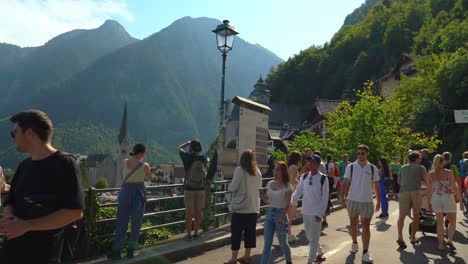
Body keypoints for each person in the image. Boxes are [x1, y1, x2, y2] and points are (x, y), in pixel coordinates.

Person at [0, 110, 84, 264]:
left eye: (14, 133)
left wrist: (26, 226)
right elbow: (9, 202)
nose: (13, 138)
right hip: (12, 253)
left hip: (46, 255)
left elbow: (75, 212)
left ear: (30, 133)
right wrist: (10, 219)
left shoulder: (65, 164)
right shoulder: (24, 166)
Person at [339, 145, 380, 264]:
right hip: (352, 200)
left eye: (362, 153)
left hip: (367, 201)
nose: (360, 155)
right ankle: (354, 243)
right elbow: (345, 182)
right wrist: (341, 196)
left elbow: (375, 185)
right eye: (358, 153)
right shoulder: (351, 167)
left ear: (367, 154)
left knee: (366, 226)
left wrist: (378, 200)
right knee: (353, 224)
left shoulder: (372, 168)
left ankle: (366, 252)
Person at [110, 143, 152, 259]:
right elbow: (148, 179)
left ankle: (116, 252)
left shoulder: (124, 162)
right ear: (142, 153)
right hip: (138, 194)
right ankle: (130, 251)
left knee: (121, 223)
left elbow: (122, 177)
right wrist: (139, 178)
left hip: (125, 193)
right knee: (136, 224)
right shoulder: (145, 165)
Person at [224, 150, 262, 264]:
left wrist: (229, 191)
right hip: (253, 207)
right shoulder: (257, 172)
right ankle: (246, 256)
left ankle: (234, 258)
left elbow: (233, 186)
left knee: (236, 233)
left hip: (241, 208)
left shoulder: (240, 170)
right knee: (250, 233)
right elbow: (259, 188)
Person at [291, 155, 329, 264]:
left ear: (317, 164)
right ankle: (320, 251)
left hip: (316, 213)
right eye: (309, 162)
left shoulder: (323, 178)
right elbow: (298, 191)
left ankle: (310, 261)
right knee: (309, 235)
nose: (309, 164)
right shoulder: (304, 176)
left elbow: (324, 197)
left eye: (312, 162)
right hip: (306, 211)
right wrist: (291, 201)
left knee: (314, 238)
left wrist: (320, 213)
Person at [260, 162, 293, 264]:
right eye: (275, 169)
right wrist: (261, 196)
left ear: (283, 171)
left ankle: (288, 261)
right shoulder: (270, 183)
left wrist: (282, 217)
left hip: (281, 214)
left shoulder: (288, 186)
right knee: (267, 243)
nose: (275, 171)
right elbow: (266, 201)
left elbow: (287, 204)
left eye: (278, 169)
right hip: (270, 213)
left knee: (282, 242)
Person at [427, 154, 460, 251]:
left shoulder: (430, 174)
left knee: (440, 223)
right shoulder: (449, 172)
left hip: (436, 198)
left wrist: (429, 203)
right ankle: (449, 240)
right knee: (452, 221)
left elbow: (429, 190)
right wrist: (460, 201)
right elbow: (454, 187)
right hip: (448, 198)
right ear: (443, 162)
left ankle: (441, 245)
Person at [396, 151, 427, 248]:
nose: (421, 160)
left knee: (402, 216)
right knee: (416, 214)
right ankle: (413, 237)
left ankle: (400, 236)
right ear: (417, 159)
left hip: (404, 192)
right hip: (416, 192)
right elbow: (427, 180)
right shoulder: (421, 167)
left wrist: (406, 186)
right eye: (420, 158)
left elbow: (399, 181)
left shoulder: (403, 167)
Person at [178, 140, 207, 240]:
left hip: (189, 188)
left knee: (189, 211)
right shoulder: (203, 159)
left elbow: (179, 149)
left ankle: (188, 234)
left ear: (191, 148)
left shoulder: (187, 157)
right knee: (199, 210)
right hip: (201, 188)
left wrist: (186, 143)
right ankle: (196, 232)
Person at [287, 151, 301, 243]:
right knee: (291, 216)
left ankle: (288, 234)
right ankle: (289, 235)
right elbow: (292, 179)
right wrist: (301, 184)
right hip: (292, 193)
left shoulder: (289, 166)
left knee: (289, 215)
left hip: (287, 192)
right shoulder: (294, 167)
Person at [322, 154, 335, 228]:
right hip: (330, 178)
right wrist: (334, 180)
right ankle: (329, 204)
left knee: (327, 192)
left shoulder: (324, 163)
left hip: (325, 178)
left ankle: (329, 203)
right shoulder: (331, 164)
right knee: (329, 193)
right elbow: (332, 172)